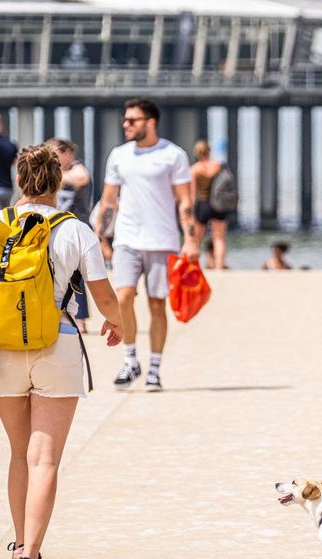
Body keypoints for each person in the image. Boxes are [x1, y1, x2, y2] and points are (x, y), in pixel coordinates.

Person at [0, 144, 124, 559]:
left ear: (19, 180)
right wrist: (118, 322)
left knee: (20, 454)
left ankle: (20, 546)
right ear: (58, 182)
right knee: (44, 458)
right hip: (57, 344)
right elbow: (102, 292)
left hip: (2, 347)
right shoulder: (74, 229)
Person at [91, 98, 196, 392]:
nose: (125, 124)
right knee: (123, 297)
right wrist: (100, 236)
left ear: (150, 123)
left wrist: (190, 239)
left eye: (132, 120)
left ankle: (154, 370)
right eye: (125, 119)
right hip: (127, 239)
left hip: (162, 240)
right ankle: (130, 361)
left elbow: (185, 200)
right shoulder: (119, 155)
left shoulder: (173, 155)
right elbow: (109, 200)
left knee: (157, 304)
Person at [47, 137, 94, 333]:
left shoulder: (76, 167)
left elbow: (82, 178)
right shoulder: (61, 170)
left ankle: (80, 319)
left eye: (55, 154)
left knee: (76, 275)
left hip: (76, 228)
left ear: (67, 152)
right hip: (56, 227)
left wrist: (53, 175)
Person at [189, 139, 230, 270]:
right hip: (218, 204)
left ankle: (194, 266)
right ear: (209, 151)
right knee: (219, 238)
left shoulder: (194, 169)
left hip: (203, 203)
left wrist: (190, 210)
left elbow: (192, 193)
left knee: (196, 239)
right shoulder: (218, 166)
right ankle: (219, 266)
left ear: (196, 152)